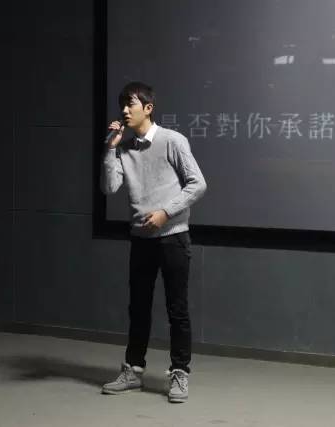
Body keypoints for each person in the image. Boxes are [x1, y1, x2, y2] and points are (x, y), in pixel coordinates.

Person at [100, 81, 207, 403]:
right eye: (122, 104)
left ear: (148, 108)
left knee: (177, 310)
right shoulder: (123, 148)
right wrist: (110, 149)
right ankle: (133, 370)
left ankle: (180, 373)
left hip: (173, 237)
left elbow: (198, 184)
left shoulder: (173, 140)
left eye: (131, 104)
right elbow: (109, 187)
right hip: (141, 240)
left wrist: (165, 212)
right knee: (138, 309)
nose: (124, 110)